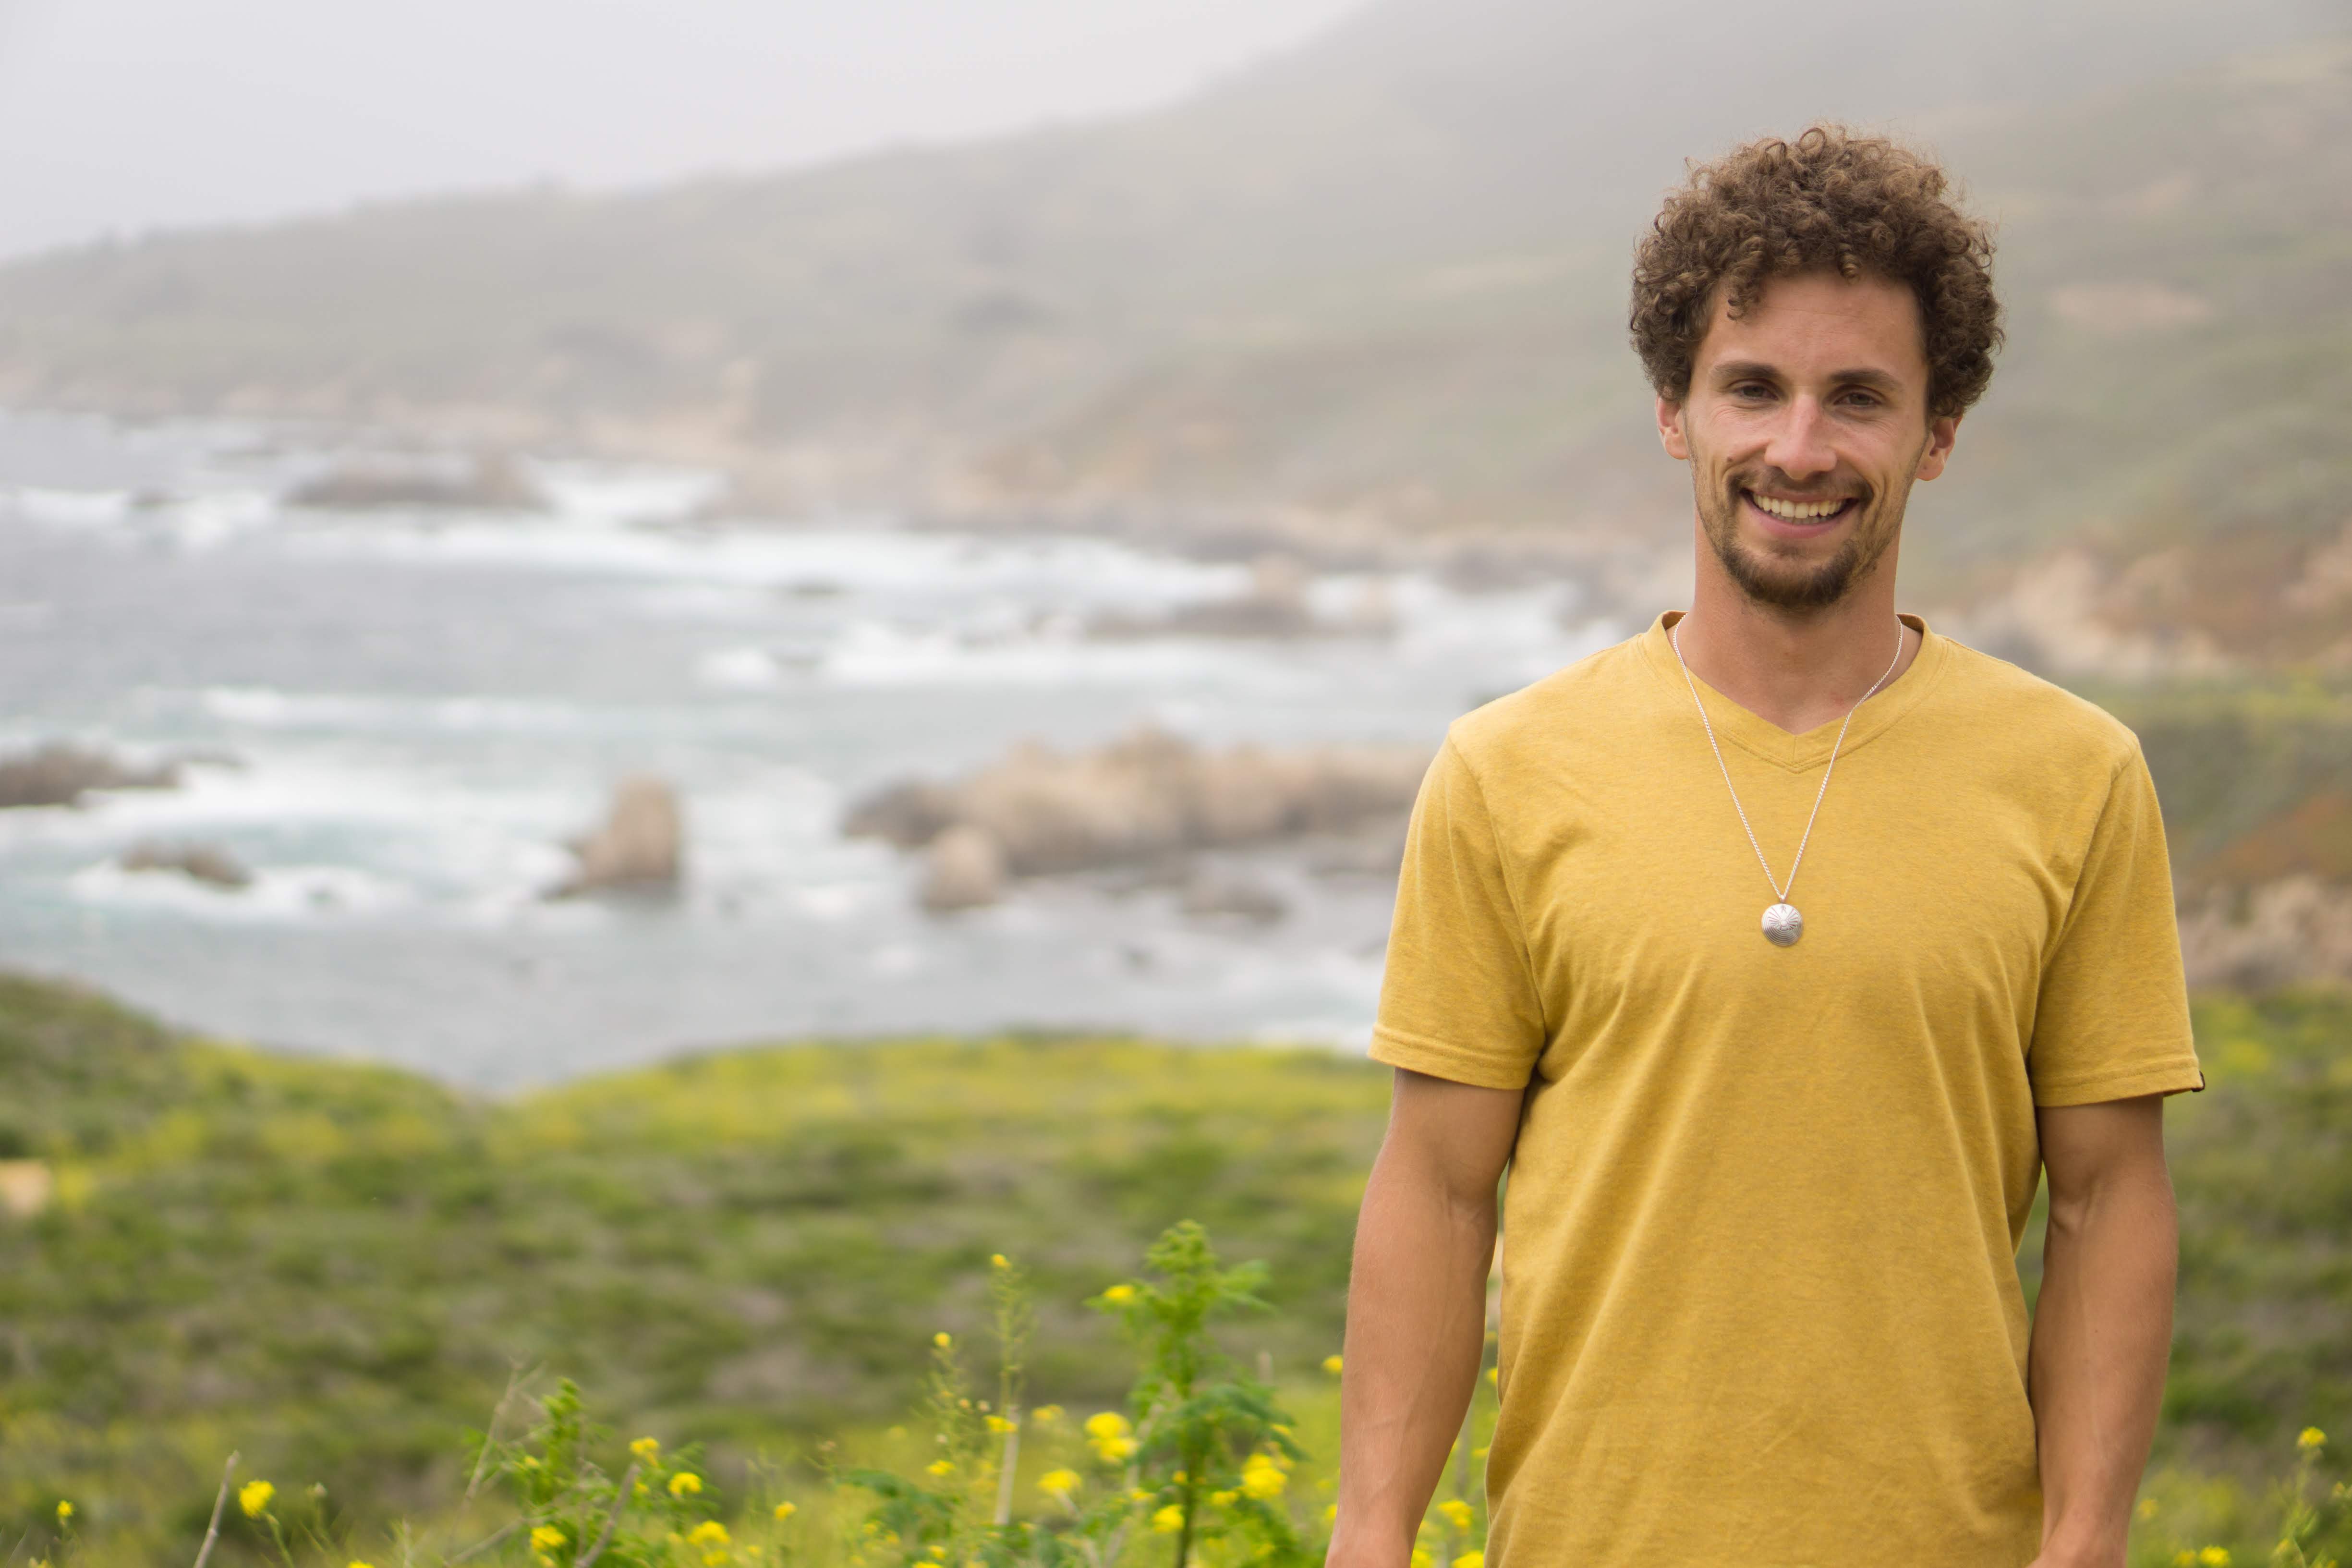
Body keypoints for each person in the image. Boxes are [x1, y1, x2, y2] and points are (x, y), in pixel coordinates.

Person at [1328, 126, 2204, 1568]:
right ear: (1675, 409)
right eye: (1751, 388)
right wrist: (1369, 1541)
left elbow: (2110, 1194)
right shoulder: (1504, 770)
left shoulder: (2076, 776)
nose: (1797, 449)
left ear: (1936, 432)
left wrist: (2083, 1539)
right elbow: (1434, 1182)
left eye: (1856, 398)